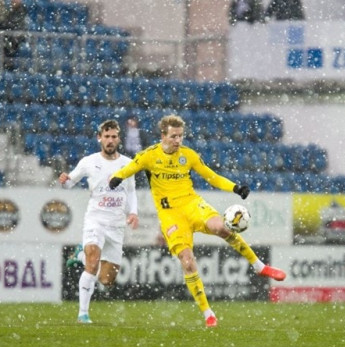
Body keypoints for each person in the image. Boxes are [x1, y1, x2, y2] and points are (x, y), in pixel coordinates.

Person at [108, 115, 286, 327]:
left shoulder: (189, 155)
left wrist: (236, 188)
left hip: (193, 205)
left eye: (180, 136)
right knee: (187, 260)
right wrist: (116, 178)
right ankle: (208, 313)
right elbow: (128, 170)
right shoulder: (148, 156)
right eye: (173, 136)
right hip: (171, 215)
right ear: (163, 135)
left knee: (222, 227)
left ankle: (259, 266)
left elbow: (212, 177)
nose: (177, 140)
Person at [59, 120, 139, 323]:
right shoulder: (88, 161)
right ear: (99, 138)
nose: (110, 140)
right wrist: (64, 180)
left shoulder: (128, 164)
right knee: (93, 261)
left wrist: (134, 212)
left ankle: (81, 255)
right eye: (107, 136)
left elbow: (131, 191)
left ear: (118, 139)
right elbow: (70, 183)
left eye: (114, 137)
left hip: (117, 225)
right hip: (96, 220)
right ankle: (82, 314)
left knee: (106, 279)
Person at [0, 0, 27, 69]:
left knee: (10, 43)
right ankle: (7, 64)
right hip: (9, 36)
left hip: (15, 37)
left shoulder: (21, 11)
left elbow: (14, 24)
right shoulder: (10, 11)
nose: (13, 1)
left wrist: (4, 25)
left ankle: (9, 64)